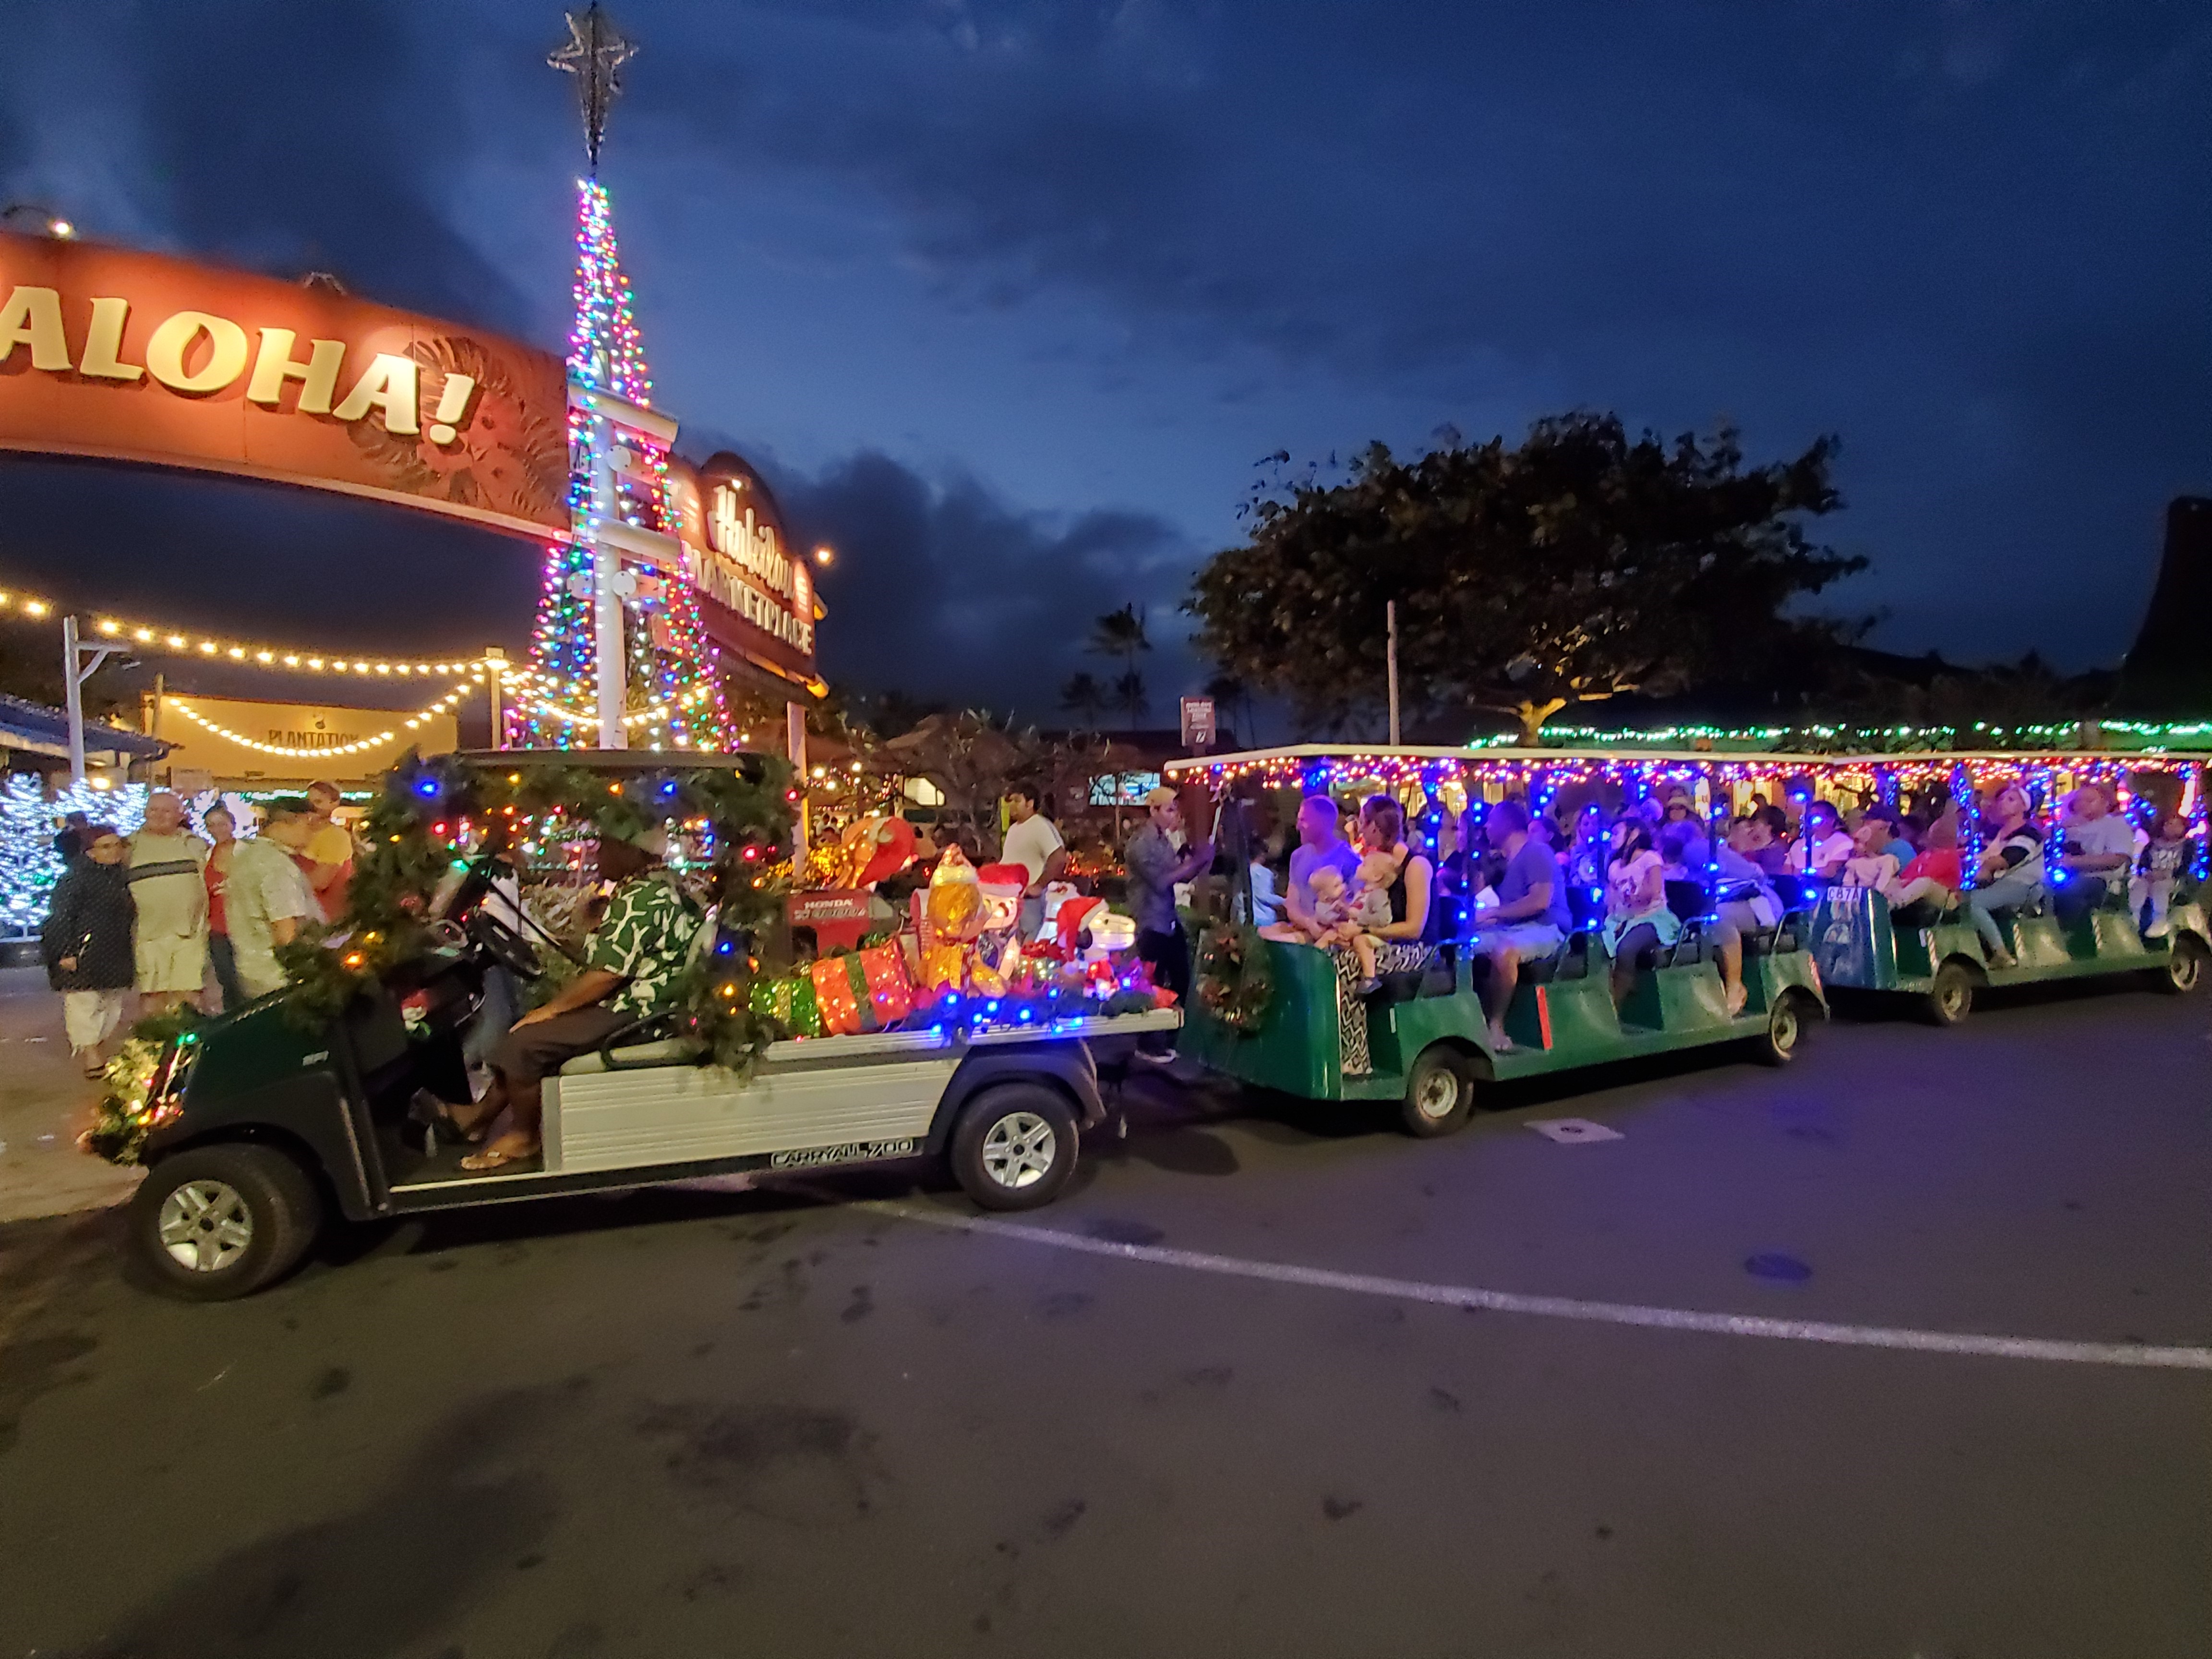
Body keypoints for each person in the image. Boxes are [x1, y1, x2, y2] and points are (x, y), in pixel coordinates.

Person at [442, 827, 703, 1170]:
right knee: (530, 1031)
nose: (597, 852)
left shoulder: (643, 897)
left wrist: (550, 1011)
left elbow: (607, 975)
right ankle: (479, 1117)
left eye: (606, 845)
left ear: (632, 851)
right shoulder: (657, 888)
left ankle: (524, 1136)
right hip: (642, 1002)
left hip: (641, 1011)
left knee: (525, 1042)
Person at [1326, 798, 1437, 1077]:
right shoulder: (1375, 864)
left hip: (1417, 949)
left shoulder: (1416, 866)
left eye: (1362, 823)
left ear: (1376, 827)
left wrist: (1363, 932)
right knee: (1331, 953)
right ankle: (1333, 1046)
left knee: (1349, 966)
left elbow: (1414, 928)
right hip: (1382, 942)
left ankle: (1357, 1057)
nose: (1359, 830)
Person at [1467, 798, 1569, 1052]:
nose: (1487, 827)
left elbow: (1540, 901)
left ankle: (1497, 1024)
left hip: (1546, 927)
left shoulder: (1537, 852)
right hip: (1514, 928)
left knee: (1505, 951)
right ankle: (1471, 1020)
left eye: (1491, 822)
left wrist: (1495, 913)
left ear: (1506, 824)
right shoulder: (1504, 861)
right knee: (1464, 946)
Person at [43, 825, 135, 1077]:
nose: (114, 851)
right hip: (84, 951)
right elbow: (60, 917)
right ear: (91, 851)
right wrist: (65, 951)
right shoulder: (75, 878)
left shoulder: (121, 875)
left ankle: (98, 1048)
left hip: (115, 951)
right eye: (106, 846)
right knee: (84, 1004)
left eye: (118, 845)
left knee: (110, 1004)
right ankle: (91, 1056)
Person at [1123, 786, 1214, 1014]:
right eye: (1169, 810)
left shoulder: (1163, 841)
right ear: (1153, 810)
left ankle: (1171, 1039)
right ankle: (1148, 1045)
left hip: (1168, 921)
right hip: (1149, 922)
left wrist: (1203, 859)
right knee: (1152, 986)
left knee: (1182, 979)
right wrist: (1194, 863)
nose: (1174, 816)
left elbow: (1181, 875)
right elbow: (1161, 881)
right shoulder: (1140, 844)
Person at [223, 799, 321, 1001]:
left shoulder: (244, 858)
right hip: (282, 978)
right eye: (309, 825)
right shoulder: (278, 866)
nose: (312, 833)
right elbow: (286, 933)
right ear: (288, 821)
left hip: (251, 971)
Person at [127, 790, 209, 1015]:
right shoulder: (129, 847)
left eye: (166, 810)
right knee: (153, 995)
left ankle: (188, 1045)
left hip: (190, 935)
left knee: (190, 994)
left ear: (180, 815)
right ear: (145, 812)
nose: (158, 815)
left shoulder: (194, 844)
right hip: (148, 936)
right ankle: (153, 1045)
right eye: (153, 810)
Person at [1707, 815, 1783, 1017]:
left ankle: (1736, 986)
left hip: (1759, 903)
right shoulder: (1720, 852)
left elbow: (1756, 876)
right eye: (1740, 830)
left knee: (1721, 918)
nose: (1746, 834)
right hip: (1731, 900)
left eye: (1749, 830)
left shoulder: (1763, 854)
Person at [1601, 817, 1677, 1012]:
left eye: (1617, 833)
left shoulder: (1650, 859)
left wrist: (1631, 897)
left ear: (1634, 834)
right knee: (1597, 944)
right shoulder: (1614, 866)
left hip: (1653, 918)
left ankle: (1614, 1009)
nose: (1612, 838)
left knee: (1627, 948)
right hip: (1623, 918)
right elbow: (1611, 898)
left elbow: (1653, 891)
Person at [1964, 784, 2042, 969]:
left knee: (1973, 903)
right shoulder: (1998, 832)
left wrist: (1985, 866)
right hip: (2001, 882)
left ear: (2023, 807)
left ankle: (2001, 953)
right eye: (2002, 800)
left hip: (2024, 884)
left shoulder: (2029, 834)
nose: (2003, 804)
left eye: (2011, 800)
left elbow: (2007, 859)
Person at [2052, 782, 2134, 925]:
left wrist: (2073, 862)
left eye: (2090, 801)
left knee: (2070, 890)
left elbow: (2116, 860)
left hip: (2100, 880)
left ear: (2105, 803)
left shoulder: (2116, 825)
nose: (2082, 804)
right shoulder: (2068, 827)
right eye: (2079, 801)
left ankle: (2071, 932)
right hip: (2064, 875)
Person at [1283, 794, 1361, 942]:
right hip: (1303, 928)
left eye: (1304, 820)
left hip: (1330, 937)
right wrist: (1308, 923)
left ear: (1322, 822)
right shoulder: (1298, 856)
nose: (1298, 826)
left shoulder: (1349, 859)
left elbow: (1359, 907)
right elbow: (1292, 904)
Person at [999, 783, 1068, 938]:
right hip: (1010, 904)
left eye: (1017, 801)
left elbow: (1059, 857)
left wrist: (1038, 886)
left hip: (1030, 904)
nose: (1012, 806)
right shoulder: (1014, 829)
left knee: (1028, 953)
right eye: (1010, 801)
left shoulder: (1040, 825)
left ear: (1030, 803)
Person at [201, 804, 247, 1012]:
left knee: (248, 977)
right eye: (211, 825)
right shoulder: (205, 857)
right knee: (227, 979)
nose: (217, 829)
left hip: (245, 925)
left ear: (232, 825)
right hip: (219, 928)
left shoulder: (248, 853)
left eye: (222, 824)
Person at [299, 781, 356, 924]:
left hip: (325, 918)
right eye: (309, 802)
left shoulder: (337, 837)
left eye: (318, 801)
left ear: (334, 803)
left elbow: (321, 881)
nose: (312, 807)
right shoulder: (300, 834)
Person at [2132, 810, 2189, 938]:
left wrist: (2167, 874)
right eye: (2169, 824)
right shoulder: (2153, 844)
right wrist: (2147, 873)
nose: (2172, 828)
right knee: (2139, 885)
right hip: (2151, 876)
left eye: (2177, 825)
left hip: (2173, 879)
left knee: (2160, 887)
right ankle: (2134, 917)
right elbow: (2142, 863)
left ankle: (2160, 920)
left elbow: (2186, 866)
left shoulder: (2187, 846)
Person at [1783, 801, 1853, 879]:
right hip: (1796, 888)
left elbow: (1830, 872)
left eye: (1817, 817)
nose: (1813, 821)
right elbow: (1786, 872)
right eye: (1810, 818)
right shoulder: (1799, 845)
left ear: (1832, 820)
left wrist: (1802, 872)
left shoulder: (1843, 842)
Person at [1839, 818, 1902, 893]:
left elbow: (1882, 886)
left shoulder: (1887, 860)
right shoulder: (1854, 863)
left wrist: (1873, 896)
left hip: (1879, 900)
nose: (1854, 847)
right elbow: (1847, 886)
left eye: (1858, 842)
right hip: (1860, 899)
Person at [1658, 784, 1711, 868]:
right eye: (1673, 809)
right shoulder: (1663, 826)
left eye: (1680, 808)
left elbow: (1701, 846)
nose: (1676, 811)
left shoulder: (1693, 825)